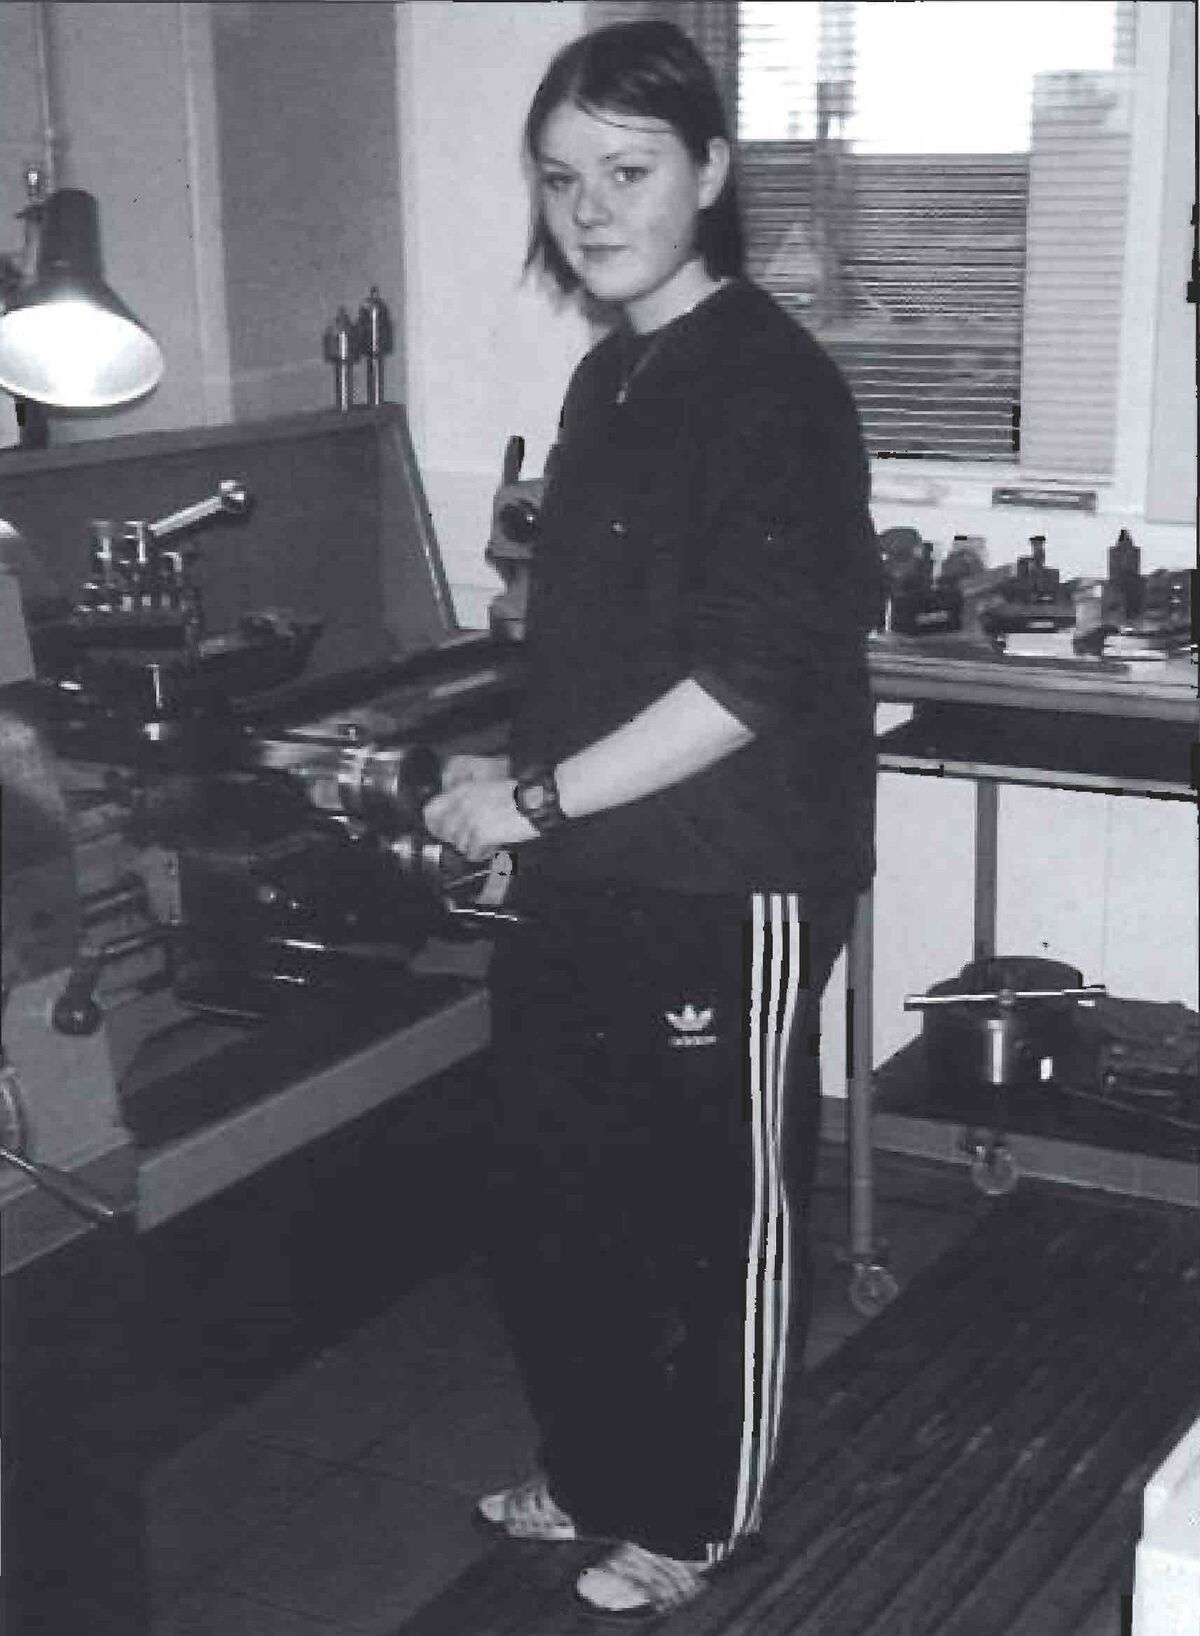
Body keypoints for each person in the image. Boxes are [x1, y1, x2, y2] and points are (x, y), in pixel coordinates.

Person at [422, 18, 881, 1619]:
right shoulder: (610, 373)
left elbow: (753, 678)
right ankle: (599, 1463)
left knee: (713, 1215)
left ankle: (698, 1514)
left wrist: (529, 797)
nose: (590, 210)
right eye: (562, 180)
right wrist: (523, 794)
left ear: (712, 170)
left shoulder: (771, 385)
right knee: (560, 1194)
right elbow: (603, 638)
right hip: (593, 864)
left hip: (731, 874)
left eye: (628, 171)